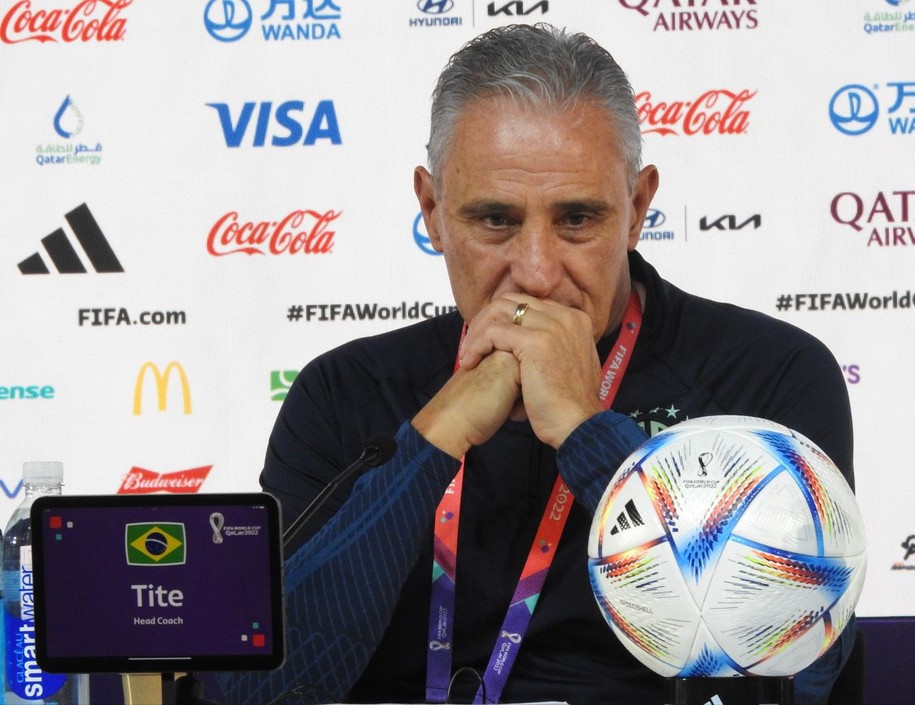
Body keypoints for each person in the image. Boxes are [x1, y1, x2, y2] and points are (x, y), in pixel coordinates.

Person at [220, 22, 857, 705]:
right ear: (432, 211)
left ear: (637, 207)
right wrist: (428, 445)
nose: (536, 272)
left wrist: (592, 437)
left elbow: (790, 681)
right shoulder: (345, 392)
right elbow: (259, 690)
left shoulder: (768, 375)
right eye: (494, 220)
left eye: (577, 219)